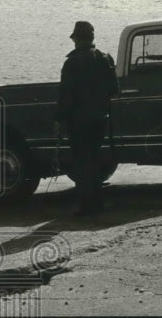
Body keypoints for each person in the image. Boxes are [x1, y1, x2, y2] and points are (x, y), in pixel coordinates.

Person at [54, 20, 118, 216]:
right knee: (95, 159)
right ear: (92, 38)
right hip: (99, 119)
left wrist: (59, 119)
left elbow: (66, 96)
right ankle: (97, 204)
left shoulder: (71, 63)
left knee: (82, 163)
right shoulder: (104, 59)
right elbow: (114, 89)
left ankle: (86, 205)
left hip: (79, 121)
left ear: (76, 39)